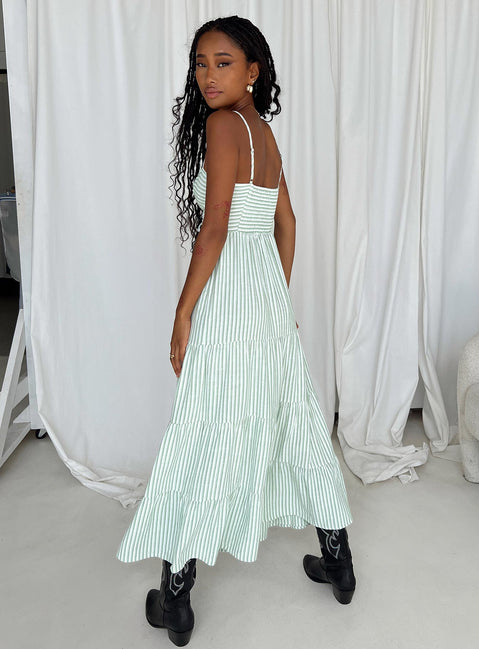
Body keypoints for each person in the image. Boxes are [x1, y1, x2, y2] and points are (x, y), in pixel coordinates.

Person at [117, 15, 356, 647]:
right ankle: (338, 560)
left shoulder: (223, 127)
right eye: (200, 63)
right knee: (293, 416)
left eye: (223, 63)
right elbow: (287, 222)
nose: (208, 75)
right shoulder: (264, 132)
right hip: (264, 293)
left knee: (206, 424)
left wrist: (183, 311)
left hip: (227, 294)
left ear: (253, 71)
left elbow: (216, 226)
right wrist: (274, 292)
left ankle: (174, 599)